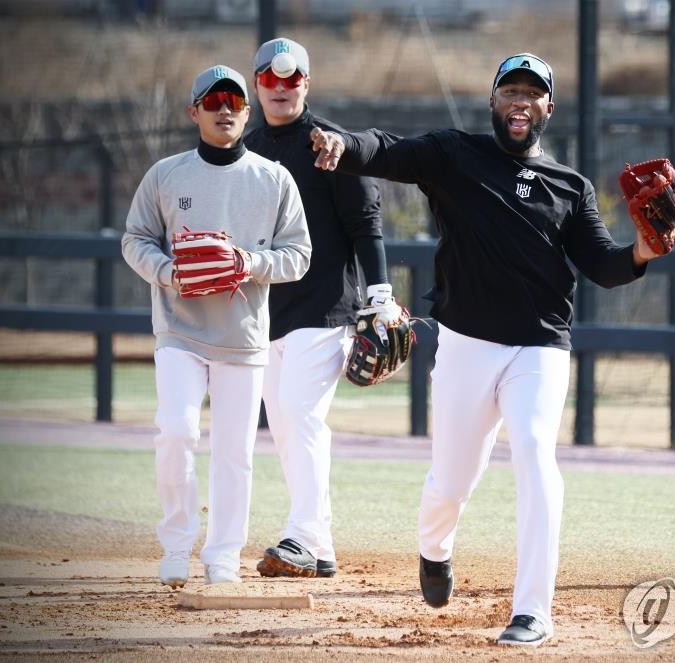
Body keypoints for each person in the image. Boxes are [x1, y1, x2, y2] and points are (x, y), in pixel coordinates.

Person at [310, 52, 673, 646]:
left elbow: (605, 266)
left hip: (540, 347)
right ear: (493, 101)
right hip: (465, 343)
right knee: (451, 482)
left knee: (535, 453)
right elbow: (387, 147)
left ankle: (533, 610)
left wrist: (642, 253)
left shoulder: (569, 188)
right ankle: (435, 548)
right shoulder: (455, 156)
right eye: (511, 91)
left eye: (534, 93)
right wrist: (341, 146)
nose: (521, 101)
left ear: (549, 108)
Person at [122, 65, 311, 587]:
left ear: (247, 112)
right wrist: (171, 273)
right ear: (194, 112)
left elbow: (299, 256)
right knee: (177, 432)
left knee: (234, 452)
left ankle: (223, 555)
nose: (224, 108)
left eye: (234, 100)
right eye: (212, 101)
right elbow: (135, 238)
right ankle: (177, 544)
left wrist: (246, 263)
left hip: (244, 337)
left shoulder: (273, 179)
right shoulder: (165, 174)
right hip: (179, 329)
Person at [243, 37, 391, 580]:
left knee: (300, 414)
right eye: (270, 79)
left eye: (292, 78)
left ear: (306, 82)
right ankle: (317, 541)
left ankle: (305, 536)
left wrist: (379, 297)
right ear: (257, 84)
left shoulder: (331, 145)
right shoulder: (248, 148)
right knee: (283, 422)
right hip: (267, 314)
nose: (281, 88)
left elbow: (366, 225)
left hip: (327, 308)